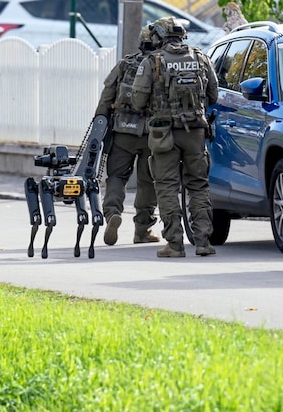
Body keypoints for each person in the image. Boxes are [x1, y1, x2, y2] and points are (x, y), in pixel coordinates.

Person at [132, 16, 219, 257]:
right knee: (198, 185)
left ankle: (175, 243)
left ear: (159, 37)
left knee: (167, 187)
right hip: (196, 131)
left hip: (163, 134)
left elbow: (138, 101)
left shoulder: (152, 61)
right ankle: (203, 241)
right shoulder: (201, 58)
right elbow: (214, 95)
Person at [93, 25, 161, 246]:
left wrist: (99, 126)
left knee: (116, 177)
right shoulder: (161, 66)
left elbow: (106, 97)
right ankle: (142, 230)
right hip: (151, 134)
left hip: (122, 131)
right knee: (147, 182)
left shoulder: (125, 64)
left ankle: (112, 212)